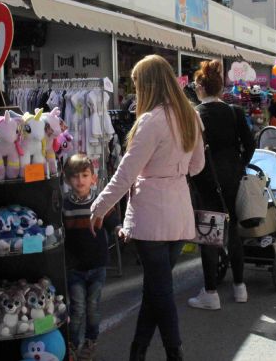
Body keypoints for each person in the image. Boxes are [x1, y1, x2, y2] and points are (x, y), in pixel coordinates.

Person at [89, 54, 205, 361]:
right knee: (156, 289)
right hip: (179, 211)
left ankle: (173, 351)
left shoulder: (151, 121)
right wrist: (173, 172)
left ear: (148, 85)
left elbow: (126, 173)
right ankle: (137, 351)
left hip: (150, 216)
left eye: (138, 84)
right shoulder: (190, 116)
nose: (136, 90)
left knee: (159, 291)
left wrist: (99, 207)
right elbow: (198, 164)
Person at [186, 60, 255, 310]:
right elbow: (250, 145)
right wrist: (239, 167)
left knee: (210, 234)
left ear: (201, 88)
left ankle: (211, 292)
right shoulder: (235, 112)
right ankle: (240, 287)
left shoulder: (194, 115)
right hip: (233, 178)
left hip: (206, 179)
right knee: (233, 231)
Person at [63, 154, 120, 361]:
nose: (80, 180)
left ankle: (90, 341)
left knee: (93, 307)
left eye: (85, 175)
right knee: (77, 308)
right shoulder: (65, 205)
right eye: (75, 176)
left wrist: (120, 229)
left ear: (93, 178)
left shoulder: (100, 201)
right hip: (74, 267)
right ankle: (72, 344)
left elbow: (113, 220)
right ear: (68, 180)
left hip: (97, 265)